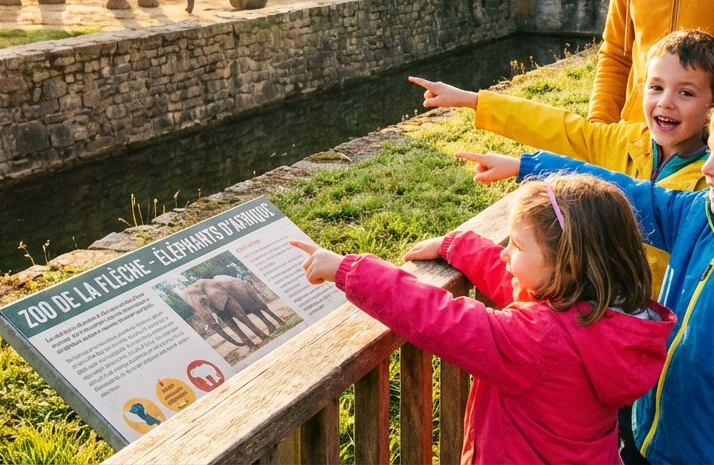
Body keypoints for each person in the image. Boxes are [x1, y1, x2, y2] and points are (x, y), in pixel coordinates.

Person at [461, 86, 714, 463]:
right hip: (649, 440)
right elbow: (624, 191)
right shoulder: (698, 214)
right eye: (711, 152)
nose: (707, 168)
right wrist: (529, 168)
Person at [289, 174, 674, 464]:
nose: (506, 253)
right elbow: (514, 282)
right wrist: (456, 246)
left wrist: (348, 270)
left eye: (518, 245)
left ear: (566, 265)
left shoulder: (536, 339)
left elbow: (439, 318)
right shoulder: (606, 320)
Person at [410, 29, 714, 187]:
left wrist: (525, 167)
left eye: (686, 93)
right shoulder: (624, 141)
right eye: (656, 87)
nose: (665, 101)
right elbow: (555, 126)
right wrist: (472, 99)